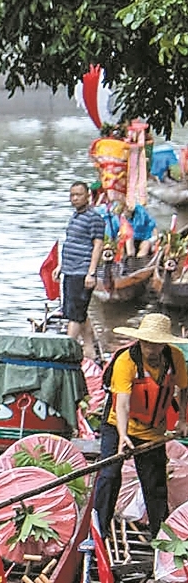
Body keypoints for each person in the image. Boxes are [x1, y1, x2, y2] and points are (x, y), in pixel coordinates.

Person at [94, 312, 187, 540]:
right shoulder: (126, 361)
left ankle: (161, 537)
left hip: (153, 429)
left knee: (154, 483)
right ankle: (99, 531)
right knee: (109, 474)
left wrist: (184, 419)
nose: (151, 350)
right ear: (140, 341)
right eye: (146, 343)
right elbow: (123, 403)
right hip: (118, 425)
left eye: (156, 345)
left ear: (164, 343)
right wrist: (123, 435)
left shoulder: (174, 359)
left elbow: (184, 390)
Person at [58, 179, 116, 362]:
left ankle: (67, 350)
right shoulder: (75, 216)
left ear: (87, 196)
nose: (74, 198)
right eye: (72, 195)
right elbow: (71, 242)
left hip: (82, 271)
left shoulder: (94, 218)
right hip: (70, 269)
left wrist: (91, 273)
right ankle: (90, 349)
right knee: (77, 312)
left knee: (75, 314)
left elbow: (98, 246)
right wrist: (61, 266)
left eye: (78, 195)